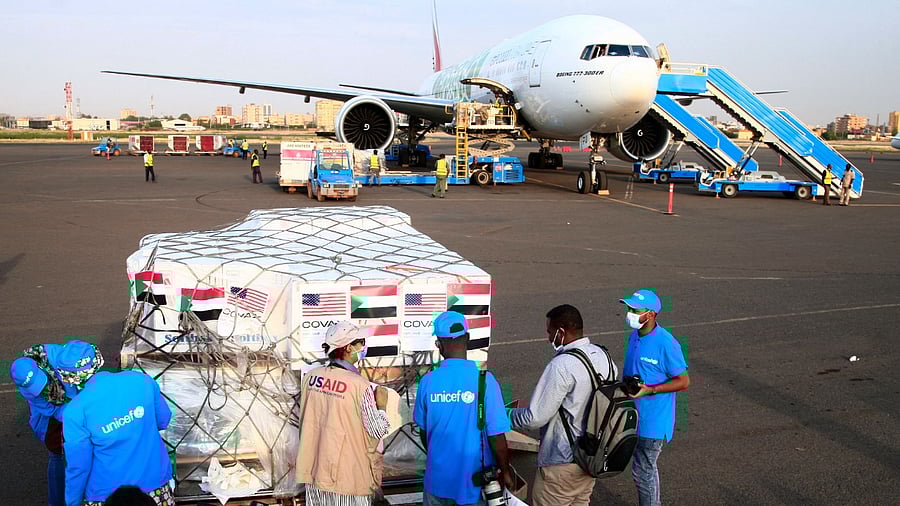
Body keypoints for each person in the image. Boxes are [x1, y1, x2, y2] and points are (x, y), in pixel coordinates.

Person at [509, 304, 617, 506]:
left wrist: (505, 416)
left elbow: (535, 417)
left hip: (561, 462)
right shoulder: (605, 357)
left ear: (561, 332)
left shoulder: (562, 365)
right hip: (590, 458)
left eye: (550, 332)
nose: (549, 338)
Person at [414, 311, 514, 506]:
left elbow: (424, 433)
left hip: (437, 482)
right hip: (474, 486)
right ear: (467, 338)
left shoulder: (427, 382)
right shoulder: (486, 382)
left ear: (438, 345)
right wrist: (506, 471)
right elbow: (497, 438)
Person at [296, 321, 391, 506]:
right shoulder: (359, 385)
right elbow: (378, 430)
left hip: (316, 473)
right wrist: (381, 405)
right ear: (348, 348)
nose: (363, 347)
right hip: (348, 478)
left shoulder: (311, 377)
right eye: (360, 342)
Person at [63, 361, 173, 505]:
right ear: (97, 361)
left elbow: (79, 466)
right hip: (155, 484)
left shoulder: (75, 409)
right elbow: (163, 420)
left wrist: (72, 502)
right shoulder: (142, 381)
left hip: (107, 496)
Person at [620, 289, 689, 506]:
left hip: (653, 423)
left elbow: (683, 381)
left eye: (634, 310)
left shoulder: (666, 343)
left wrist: (650, 390)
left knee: (643, 472)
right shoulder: (635, 336)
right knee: (646, 470)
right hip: (634, 418)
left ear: (650, 314)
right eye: (628, 308)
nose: (629, 313)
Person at [10, 357, 67, 506]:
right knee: (57, 454)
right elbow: (56, 412)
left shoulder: (53, 356)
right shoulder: (30, 392)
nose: (40, 389)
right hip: (54, 420)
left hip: (64, 410)